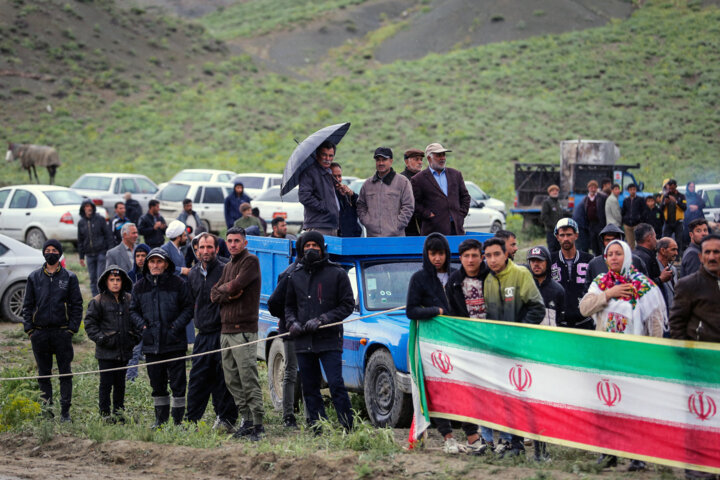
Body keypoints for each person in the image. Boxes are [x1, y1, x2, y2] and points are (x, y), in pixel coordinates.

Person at [580, 239, 667, 471]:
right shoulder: (601, 283)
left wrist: (653, 353)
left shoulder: (643, 285)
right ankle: (608, 453)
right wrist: (609, 294)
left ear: (627, 256)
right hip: (606, 355)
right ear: (605, 258)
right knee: (606, 404)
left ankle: (637, 455)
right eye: (610, 254)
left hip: (634, 356)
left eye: (619, 253)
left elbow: (656, 322)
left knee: (633, 406)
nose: (614, 258)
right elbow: (585, 308)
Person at [406, 234, 481, 454]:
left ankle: (472, 436)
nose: (437, 258)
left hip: (461, 342)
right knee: (439, 390)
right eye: (433, 254)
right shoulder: (419, 278)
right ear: (426, 255)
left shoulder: (458, 275)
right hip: (434, 345)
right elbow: (411, 310)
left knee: (464, 389)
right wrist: (436, 312)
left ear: (447, 255)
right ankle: (447, 437)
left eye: (441, 254)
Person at [284, 232, 354, 433]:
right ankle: (317, 427)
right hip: (303, 340)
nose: (311, 249)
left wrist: (323, 319)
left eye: (315, 245)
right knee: (310, 386)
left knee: (336, 384)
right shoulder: (294, 275)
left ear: (323, 248)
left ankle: (347, 426)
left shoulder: (337, 273)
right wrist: (293, 323)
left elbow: (347, 304)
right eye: (307, 245)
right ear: (301, 249)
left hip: (329, 338)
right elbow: (288, 306)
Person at [482, 237, 545, 457]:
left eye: (496, 254)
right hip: (498, 351)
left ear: (506, 253)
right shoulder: (488, 280)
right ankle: (514, 445)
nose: (492, 260)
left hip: (521, 349)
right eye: (488, 256)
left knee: (526, 399)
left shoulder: (521, 274)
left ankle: (539, 450)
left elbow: (537, 309)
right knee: (506, 398)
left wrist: (517, 336)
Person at [670, 234, 720, 480]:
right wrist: (686, 357)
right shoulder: (689, 284)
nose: (712, 256)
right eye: (708, 252)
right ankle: (699, 469)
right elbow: (676, 324)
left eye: (717, 252)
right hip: (699, 366)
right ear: (700, 256)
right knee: (700, 419)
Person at [210, 227, 265, 441]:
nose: (233, 244)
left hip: (243, 331)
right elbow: (214, 294)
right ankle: (246, 420)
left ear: (245, 243)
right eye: (230, 241)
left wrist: (227, 291)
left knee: (248, 377)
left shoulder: (250, 262)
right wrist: (229, 294)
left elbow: (236, 285)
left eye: (236, 241)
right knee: (232, 379)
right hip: (225, 330)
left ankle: (258, 425)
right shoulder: (229, 265)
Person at [130, 248, 193, 427]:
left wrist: (175, 327)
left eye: (159, 262)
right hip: (151, 344)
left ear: (166, 264)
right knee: (157, 384)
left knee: (178, 384)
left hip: (174, 343)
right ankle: (160, 419)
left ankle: (178, 421)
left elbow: (188, 308)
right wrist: (143, 326)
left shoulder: (178, 284)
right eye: (152, 262)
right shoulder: (139, 287)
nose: (155, 265)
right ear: (147, 264)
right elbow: (133, 310)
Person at [22, 239, 83, 422]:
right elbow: (27, 306)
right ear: (43, 253)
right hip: (39, 333)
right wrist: (29, 329)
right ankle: (47, 412)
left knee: (65, 373)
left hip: (62, 333)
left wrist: (71, 329)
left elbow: (77, 305)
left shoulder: (69, 277)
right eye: (47, 249)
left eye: (54, 250)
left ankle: (65, 412)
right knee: (43, 374)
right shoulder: (34, 277)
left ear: (59, 253)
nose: (50, 252)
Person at [443, 238, 493, 455]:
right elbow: (451, 315)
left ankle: (497, 436)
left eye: (474, 255)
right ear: (460, 258)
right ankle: (472, 434)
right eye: (466, 256)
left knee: (492, 390)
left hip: (492, 342)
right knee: (467, 391)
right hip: (465, 345)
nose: (470, 260)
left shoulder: (492, 276)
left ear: (481, 257)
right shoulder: (453, 282)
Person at [186, 233, 238, 431]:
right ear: (197, 250)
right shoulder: (192, 274)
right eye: (202, 247)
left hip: (223, 332)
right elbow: (191, 302)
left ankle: (226, 419)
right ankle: (192, 421)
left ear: (217, 249)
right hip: (203, 334)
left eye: (210, 247)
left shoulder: (226, 270)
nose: (205, 251)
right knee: (198, 378)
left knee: (224, 378)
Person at [84, 265, 139, 421]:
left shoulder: (129, 300)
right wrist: (102, 339)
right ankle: (105, 413)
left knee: (120, 384)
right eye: (112, 280)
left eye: (118, 280)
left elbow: (137, 322)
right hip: (105, 352)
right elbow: (90, 324)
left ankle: (119, 412)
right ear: (106, 282)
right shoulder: (98, 301)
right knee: (106, 384)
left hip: (124, 350)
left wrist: (134, 339)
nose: (115, 283)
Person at [267, 240, 305, 429]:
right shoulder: (290, 274)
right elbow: (274, 302)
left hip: (308, 328)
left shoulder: (310, 270)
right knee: (291, 371)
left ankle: (309, 413)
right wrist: (289, 320)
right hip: (291, 329)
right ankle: (288, 415)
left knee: (305, 370)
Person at [411, 143, 471, 236]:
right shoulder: (418, 179)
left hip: (456, 229)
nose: (442, 158)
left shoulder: (455, 174)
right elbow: (414, 203)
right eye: (438, 155)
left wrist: (460, 215)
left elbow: (465, 197)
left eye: (443, 155)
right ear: (429, 158)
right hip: (433, 231)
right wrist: (428, 215)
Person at [357, 147, 414, 237]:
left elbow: (408, 206)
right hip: (373, 238)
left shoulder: (403, 182)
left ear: (391, 161)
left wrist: (397, 226)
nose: (381, 163)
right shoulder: (367, 184)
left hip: (396, 238)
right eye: (378, 160)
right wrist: (367, 222)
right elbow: (360, 205)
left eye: (384, 160)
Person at [550, 218, 594, 329]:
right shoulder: (550, 260)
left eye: (569, 235)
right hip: (560, 324)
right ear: (557, 237)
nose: (566, 239)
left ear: (576, 235)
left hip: (586, 322)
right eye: (562, 235)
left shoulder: (589, 259)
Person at [585, 224, 648, 292]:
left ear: (621, 240)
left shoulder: (636, 261)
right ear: (603, 242)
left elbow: (646, 289)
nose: (611, 243)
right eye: (607, 240)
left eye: (614, 239)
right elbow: (587, 293)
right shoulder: (594, 264)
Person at [298, 140, 340, 236]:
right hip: (318, 225)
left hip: (332, 225)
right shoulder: (309, 172)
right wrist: (324, 207)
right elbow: (304, 196)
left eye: (331, 156)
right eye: (324, 155)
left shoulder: (328, 173)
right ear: (317, 155)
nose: (327, 158)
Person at [78, 199, 114, 296]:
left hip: (101, 253)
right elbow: (80, 240)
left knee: (101, 277)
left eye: (90, 206)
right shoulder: (81, 223)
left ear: (93, 208)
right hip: (89, 255)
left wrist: (109, 251)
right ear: (83, 209)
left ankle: (103, 297)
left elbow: (108, 235)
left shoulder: (100, 219)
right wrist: (81, 256)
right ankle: (96, 299)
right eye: (86, 206)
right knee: (92, 279)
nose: (88, 208)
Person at [125, 243, 150, 382]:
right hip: (135, 319)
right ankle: (131, 379)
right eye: (137, 256)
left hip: (151, 318)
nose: (140, 259)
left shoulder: (153, 274)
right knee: (134, 351)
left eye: (143, 255)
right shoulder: (130, 275)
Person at [527, 245, 565, 327]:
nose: (536, 264)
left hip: (551, 338)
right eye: (533, 261)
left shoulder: (558, 290)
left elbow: (561, 321)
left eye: (540, 260)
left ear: (548, 262)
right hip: (528, 337)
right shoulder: (524, 288)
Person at [331, 162, 362, 238]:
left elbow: (361, 205)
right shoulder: (328, 195)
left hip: (352, 237)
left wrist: (351, 194)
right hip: (338, 236)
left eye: (339, 176)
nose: (338, 179)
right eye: (334, 177)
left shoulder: (345, 192)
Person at [400, 148, 424, 236]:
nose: (420, 162)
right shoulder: (400, 179)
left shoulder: (427, 177)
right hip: (408, 226)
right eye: (416, 159)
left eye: (421, 159)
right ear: (407, 162)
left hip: (426, 225)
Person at [580, 180, 607, 255]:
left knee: (600, 243)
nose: (593, 189)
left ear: (596, 188)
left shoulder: (602, 197)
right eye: (591, 187)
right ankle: (595, 257)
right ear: (588, 188)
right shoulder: (585, 199)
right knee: (593, 243)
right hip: (591, 225)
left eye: (594, 187)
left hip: (599, 224)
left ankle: (602, 258)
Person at [661, 179, 687, 253]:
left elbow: (684, 207)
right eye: (670, 188)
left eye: (673, 188)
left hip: (678, 221)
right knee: (665, 239)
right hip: (668, 221)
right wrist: (664, 203)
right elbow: (661, 208)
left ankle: (678, 256)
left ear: (676, 186)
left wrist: (675, 201)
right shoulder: (665, 196)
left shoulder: (681, 196)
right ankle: (665, 254)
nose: (671, 189)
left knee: (679, 240)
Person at [655, 237, 678, 316]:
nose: (676, 253)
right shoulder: (654, 268)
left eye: (676, 250)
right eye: (673, 250)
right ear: (663, 251)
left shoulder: (673, 269)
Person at [540, 184, 563, 252]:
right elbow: (544, 216)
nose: (555, 192)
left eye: (556, 191)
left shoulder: (558, 203)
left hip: (559, 232)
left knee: (559, 249)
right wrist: (553, 226)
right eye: (553, 191)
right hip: (551, 231)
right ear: (549, 192)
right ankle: (551, 262)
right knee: (552, 249)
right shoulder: (547, 202)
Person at [621, 183, 643, 249]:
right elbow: (623, 211)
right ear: (628, 191)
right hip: (627, 224)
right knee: (630, 244)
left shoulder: (640, 200)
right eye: (631, 190)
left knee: (639, 241)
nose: (632, 191)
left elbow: (643, 211)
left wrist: (640, 219)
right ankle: (632, 257)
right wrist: (624, 220)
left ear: (636, 190)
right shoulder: (626, 200)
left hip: (637, 223)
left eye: (634, 189)